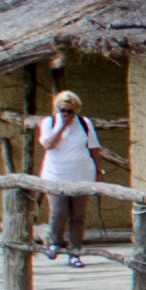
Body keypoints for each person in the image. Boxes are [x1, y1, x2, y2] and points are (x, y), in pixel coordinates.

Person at [38, 88, 102, 254]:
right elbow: (49, 145)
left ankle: (75, 250)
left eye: (69, 111)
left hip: (81, 174)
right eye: (63, 110)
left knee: (78, 215)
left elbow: (94, 149)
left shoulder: (84, 123)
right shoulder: (50, 122)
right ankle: (55, 242)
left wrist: (99, 171)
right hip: (55, 174)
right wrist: (61, 127)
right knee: (59, 211)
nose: (66, 113)